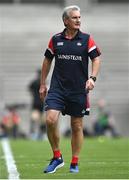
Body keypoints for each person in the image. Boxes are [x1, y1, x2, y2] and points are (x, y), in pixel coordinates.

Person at [39, 5, 101, 173]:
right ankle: (57, 157)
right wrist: (43, 83)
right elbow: (46, 61)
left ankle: (74, 161)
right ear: (65, 20)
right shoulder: (55, 39)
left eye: (79, 17)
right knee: (50, 119)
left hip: (78, 90)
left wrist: (92, 78)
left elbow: (96, 59)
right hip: (58, 89)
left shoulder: (87, 39)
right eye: (74, 18)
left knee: (76, 125)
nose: (78, 20)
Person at [29, 70, 46, 140]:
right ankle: (41, 134)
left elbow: (29, 88)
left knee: (35, 119)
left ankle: (33, 133)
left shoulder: (34, 82)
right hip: (41, 102)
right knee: (40, 119)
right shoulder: (43, 83)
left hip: (35, 102)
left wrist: (33, 94)